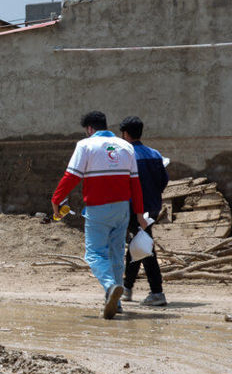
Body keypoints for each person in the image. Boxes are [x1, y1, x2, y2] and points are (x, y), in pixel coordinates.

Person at [51, 111, 148, 319]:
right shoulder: (126, 147)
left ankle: (110, 286)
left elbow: (71, 177)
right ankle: (117, 301)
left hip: (97, 208)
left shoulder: (85, 145)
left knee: (94, 254)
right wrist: (139, 213)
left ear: (89, 129)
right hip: (123, 208)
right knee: (116, 254)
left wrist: (56, 199)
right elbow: (135, 185)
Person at [119, 116, 169, 306]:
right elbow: (163, 181)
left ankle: (157, 292)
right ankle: (127, 288)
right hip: (153, 208)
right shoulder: (155, 154)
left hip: (134, 209)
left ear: (125, 134)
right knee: (138, 245)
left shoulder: (126, 154)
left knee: (145, 248)